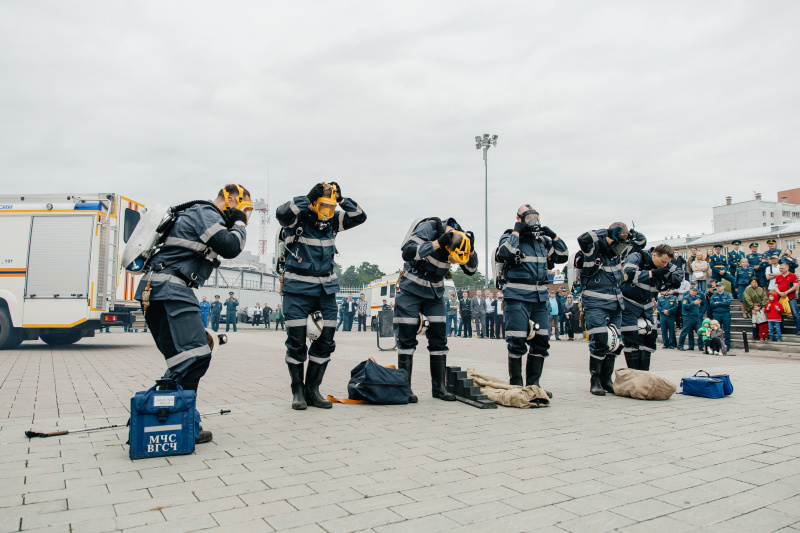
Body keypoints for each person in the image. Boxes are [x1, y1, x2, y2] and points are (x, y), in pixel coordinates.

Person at [135, 183, 251, 444]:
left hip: (162, 289)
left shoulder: (197, 214)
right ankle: (167, 415)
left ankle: (179, 421)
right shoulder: (206, 213)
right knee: (195, 356)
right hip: (169, 289)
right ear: (231, 200)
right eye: (247, 209)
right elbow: (231, 246)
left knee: (185, 358)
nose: (249, 215)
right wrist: (240, 223)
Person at [276, 181, 367, 410]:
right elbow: (282, 213)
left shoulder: (333, 220)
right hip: (297, 289)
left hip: (326, 289)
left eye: (331, 205)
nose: (327, 211)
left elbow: (360, 216)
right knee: (296, 343)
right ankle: (297, 391)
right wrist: (307, 197)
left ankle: (312, 390)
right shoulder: (299, 217)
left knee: (326, 340)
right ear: (315, 202)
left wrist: (342, 199)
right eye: (324, 205)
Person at [395, 217, 478, 402]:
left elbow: (471, 270)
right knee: (407, 337)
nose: (452, 262)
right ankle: (404, 389)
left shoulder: (461, 239)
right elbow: (407, 252)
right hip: (411, 289)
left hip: (435, 293)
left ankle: (439, 388)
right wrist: (438, 243)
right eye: (451, 258)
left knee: (439, 339)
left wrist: (471, 250)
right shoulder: (430, 228)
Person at [497, 205, 568, 391]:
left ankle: (533, 385)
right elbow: (505, 254)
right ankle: (516, 386)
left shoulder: (543, 241)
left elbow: (562, 256)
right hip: (517, 295)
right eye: (529, 217)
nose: (534, 220)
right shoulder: (509, 236)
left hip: (539, 296)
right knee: (517, 340)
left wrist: (554, 236)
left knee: (542, 341)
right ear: (519, 218)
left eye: (536, 217)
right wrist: (516, 231)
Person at [621, 243, 681, 370]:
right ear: (654, 255)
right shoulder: (636, 257)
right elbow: (628, 274)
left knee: (649, 335)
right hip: (629, 302)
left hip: (647, 303)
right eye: (663, 262)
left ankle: (644, 374)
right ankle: (634, 373)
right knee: (631, 335)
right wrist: (652, 273)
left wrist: (676, 278)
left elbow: (678, 271)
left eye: (667, 263)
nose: (665, 265)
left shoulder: (666, 263)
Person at [774, 261, 800, 335]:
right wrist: (779, 293)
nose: (780, 270)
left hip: (791, 297)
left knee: (795, 313)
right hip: (780, 297)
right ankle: (780, 330)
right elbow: (776, 286)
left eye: (782, 268)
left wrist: (786, 292)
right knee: (780, 314)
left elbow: (795, 286)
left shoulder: (793, 275)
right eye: (780, 268)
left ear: (787, 268)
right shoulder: (778, 276)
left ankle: (798, 329)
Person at [678, 285, 703, 352]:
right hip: (688, 317)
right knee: (684, 332)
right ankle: (680, 345)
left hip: (696, 317)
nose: (694, 292)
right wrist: (694, 304)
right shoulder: (686, 298)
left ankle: (701, 346)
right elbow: (685, 306)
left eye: (696, 291)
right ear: (690, 291)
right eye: (693, 290)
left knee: (700, 331)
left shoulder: (697, 297)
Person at [709, 282, 733, 351]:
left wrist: (718, 303)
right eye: (717, 286)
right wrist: (722, 304)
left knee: (727, 329)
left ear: (723, 287)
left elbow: (727, 303)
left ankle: (727, 345)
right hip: (716, 313)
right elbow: (712, 304)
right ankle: (717, 345)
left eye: (720, 286)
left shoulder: (727, 294)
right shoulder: (714, 295)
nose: (718, 287)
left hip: (725, 313)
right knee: (715, 330)